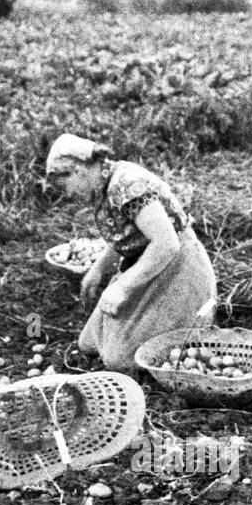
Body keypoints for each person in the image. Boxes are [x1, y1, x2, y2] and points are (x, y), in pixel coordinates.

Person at [44, 133, 216, 373]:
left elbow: (167, 243)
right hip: (146, 265)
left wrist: (123, 286)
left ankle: (182, 329)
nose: (68, 195)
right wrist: (98, 270)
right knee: (89, 343)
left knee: (119, 358)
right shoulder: (106, 186)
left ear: (78, 170)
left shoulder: (126, 184)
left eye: (65, 185)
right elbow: (125, 235)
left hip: (177, 269)